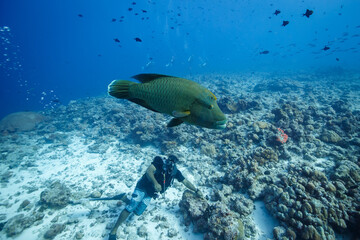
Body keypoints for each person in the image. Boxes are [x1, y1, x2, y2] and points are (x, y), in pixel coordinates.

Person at [108, 155, 203, 240]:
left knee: (137, 212)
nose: (170, 165)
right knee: (131, 207)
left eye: (173, 163)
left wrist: (196, 190)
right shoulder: (159, 162)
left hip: (151, 193)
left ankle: (124, 198)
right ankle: (113, 231)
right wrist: (155, 183)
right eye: (169, 161)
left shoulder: (175, 172)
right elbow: (149, 171)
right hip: (142, 187)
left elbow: (185, 182)